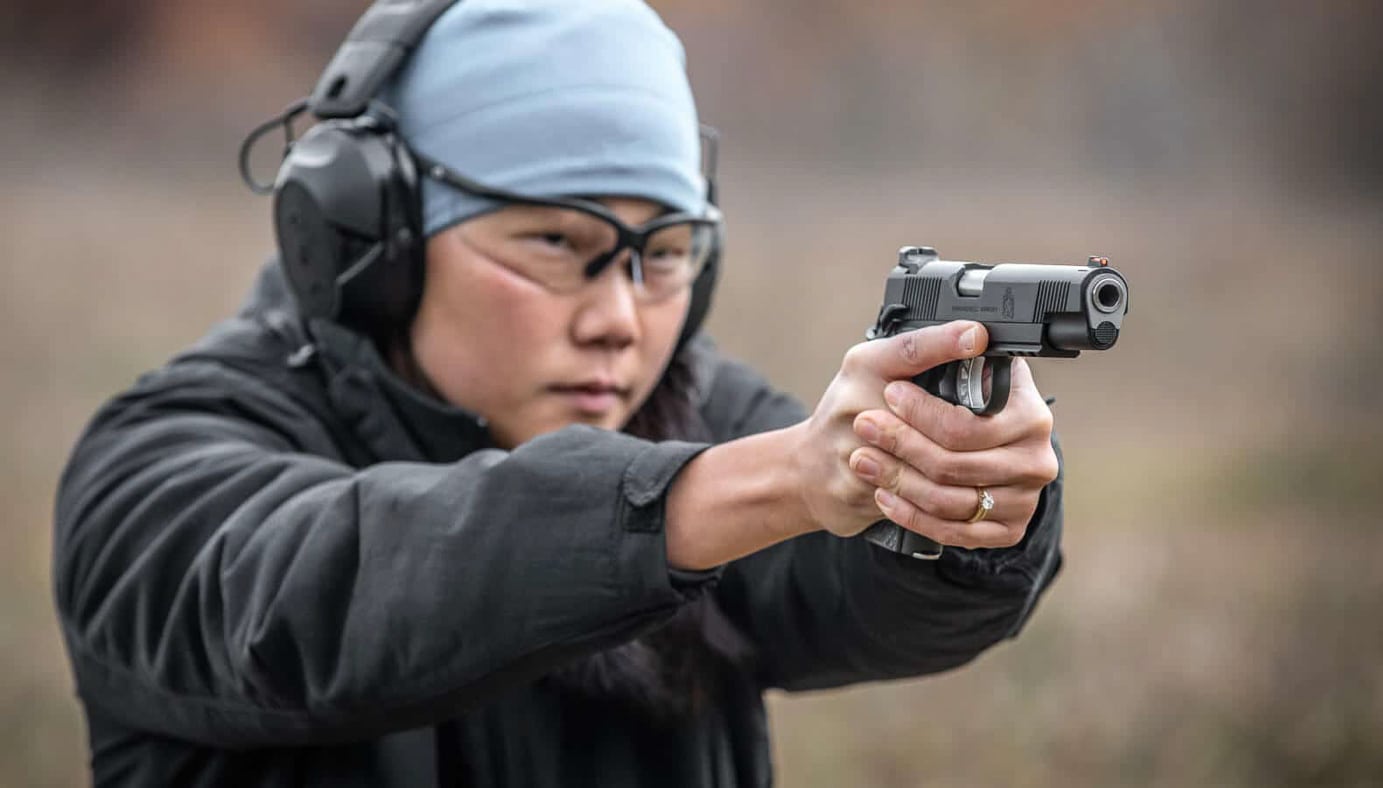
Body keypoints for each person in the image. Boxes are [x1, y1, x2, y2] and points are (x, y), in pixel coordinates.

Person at [52, 1, 1064, 785]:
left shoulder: (694, 414)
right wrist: (731, 491)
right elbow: (326, 594)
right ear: (373, 240)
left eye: (660, 255)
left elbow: (871, 601)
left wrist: (957, 501)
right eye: (556, 244)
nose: (620, 319)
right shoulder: (153, 465)